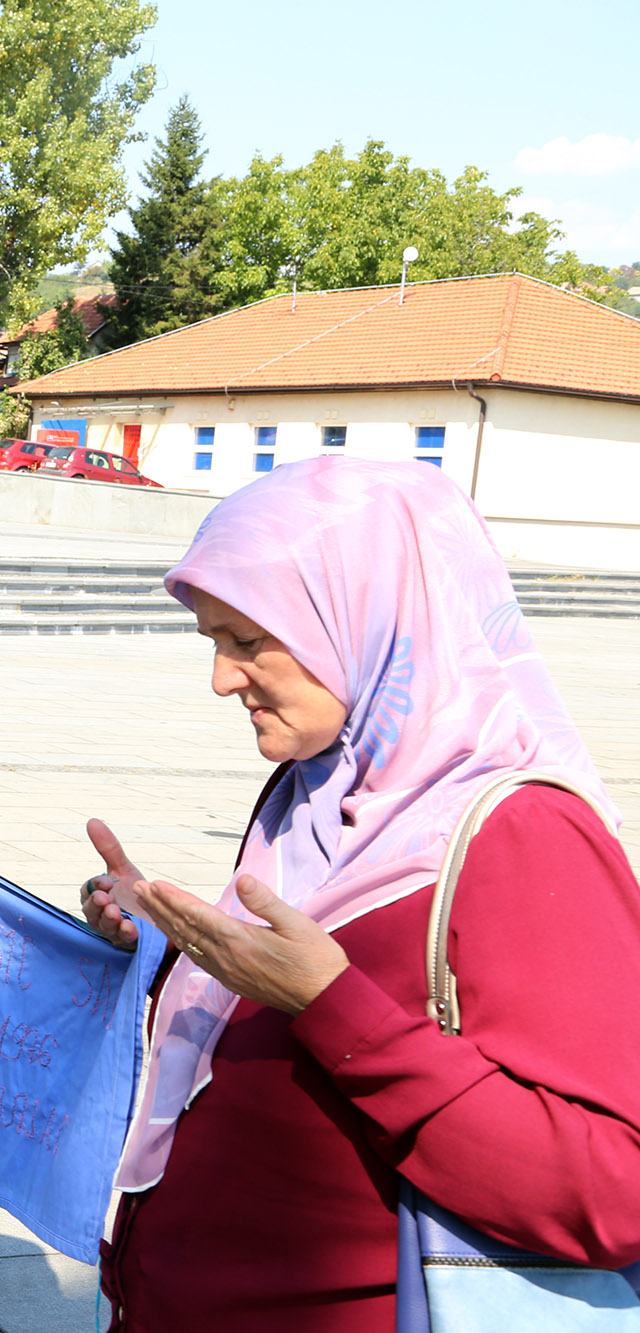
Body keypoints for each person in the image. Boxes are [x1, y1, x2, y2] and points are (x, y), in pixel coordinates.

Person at [81, 458, 640, 1330]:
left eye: (248, 640)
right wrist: (169, 952)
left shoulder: (526, 833)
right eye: (212, 639)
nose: (222, 678)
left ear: (364, 615)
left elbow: (613, 1189)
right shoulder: (318, 792)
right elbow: (283, 1023)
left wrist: (331, 1004)